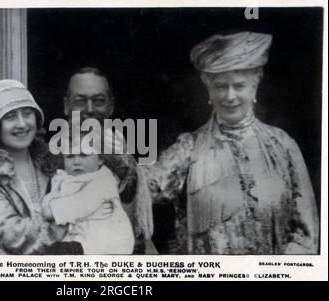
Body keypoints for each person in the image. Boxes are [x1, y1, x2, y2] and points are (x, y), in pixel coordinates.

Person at [147, 31, 319, 254]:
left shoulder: (283, 146)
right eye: (220, 86)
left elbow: (306, 233)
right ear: (209, 89)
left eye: (238, 86)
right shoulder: (189, 148)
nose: (229, 96)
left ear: (254, 87)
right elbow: (144, 190)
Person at [0, 79, 64, 255]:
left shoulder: (52, 163)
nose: (22, 124)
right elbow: (12, 235)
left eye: (27, 114)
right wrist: (65, 223)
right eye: (10, 117)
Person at [63, 67, 154, 254]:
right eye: (80, 101)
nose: (89, 110)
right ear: (66, 105)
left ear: (111, 106)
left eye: (98, 101)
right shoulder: (52, 157)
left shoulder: (126, 160)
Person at [41, 123, 135, 255]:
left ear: (100, 159)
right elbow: (48, 200)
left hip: (108, 242)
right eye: (70, 156)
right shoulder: (63, 178)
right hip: (79, 239)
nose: (76, 161)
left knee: (60, 253)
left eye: (83, 155)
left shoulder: (103, 180)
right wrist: (47, 208)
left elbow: (80, 203)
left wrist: (50, 211)